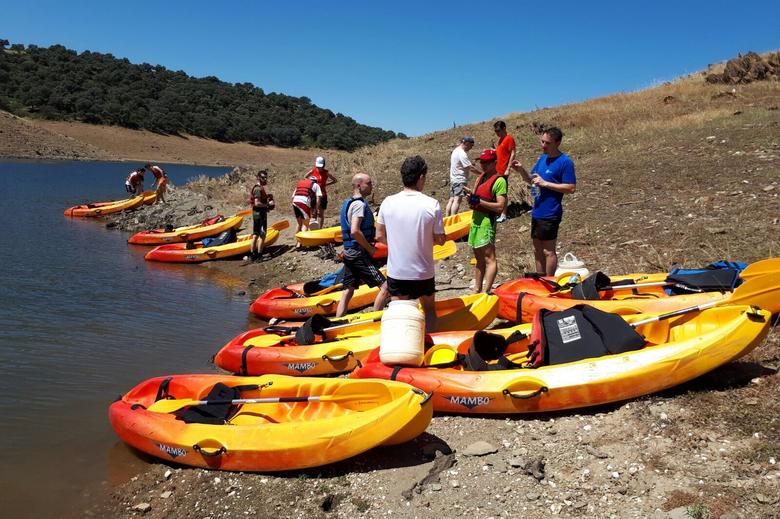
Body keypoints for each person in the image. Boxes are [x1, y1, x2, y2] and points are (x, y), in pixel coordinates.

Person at [376, 156, 445, 333]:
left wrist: (398, 243)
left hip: (398, 271)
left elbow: (379, 236)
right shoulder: (432, 204)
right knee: (429, 311)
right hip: (423, 271)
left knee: (399, 314)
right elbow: (440, 239)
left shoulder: (388, 202)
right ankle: (430, 348)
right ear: (421, 177)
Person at [509, 127, 576, 275]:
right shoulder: (542, 159)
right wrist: (520, 170)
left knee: (548, 251)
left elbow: (571, 188)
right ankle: (539, 281)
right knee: (537, 249)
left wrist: (546, 184)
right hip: (537, 211)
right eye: (542, 142)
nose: (543, 145)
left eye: (547, 143)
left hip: (551, 212)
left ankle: (549, 281)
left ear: (557, 143)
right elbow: (531, 180)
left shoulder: (565, 162)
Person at [335, 173, 390, 316]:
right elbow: (354, 231)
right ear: (359, 185)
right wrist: (370, 248)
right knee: (385, 286)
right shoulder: (359, 205)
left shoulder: (349, 202)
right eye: (369, 183)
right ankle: (375, 319)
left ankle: (337, 320)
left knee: (349, 289)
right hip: (358, 253)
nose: (372, 186)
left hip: (349, 253)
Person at [464, 149, 508, 293]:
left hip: (486, 223)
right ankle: (477, 289)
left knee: (489, 258)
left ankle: (486, 291)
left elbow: (500, 206)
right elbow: (478, 198)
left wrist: (479, 201)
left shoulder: (500, 181)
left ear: (494, 162)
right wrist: (471, 196)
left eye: (486, 162)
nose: (483, 165)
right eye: (482, 162)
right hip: (475, 221)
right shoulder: (481, 177)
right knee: (479, 259)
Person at [446, 136, 480, 216]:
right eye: (471, 146)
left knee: (451, 199)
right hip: (460, 179)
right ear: (466, 143)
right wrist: (481, 173)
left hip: (453, 179)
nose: (471, 148)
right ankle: (453, 218)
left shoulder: (455, 151)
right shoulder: (462, 153)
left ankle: (447, 218)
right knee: (457, 200)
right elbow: (469, 167)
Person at [492, 120, 516, 223]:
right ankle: (499, 211)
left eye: (499, 130)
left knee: (503, 192)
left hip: (503, 170)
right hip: (497, 170)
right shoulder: (500, 140)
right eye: (495, 131)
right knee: (497, 192)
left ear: (504, 128)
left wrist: (508, 168)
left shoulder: (509, 138)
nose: (497, 133)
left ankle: (504, 214)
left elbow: (513, 153)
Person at [248, 169, 275, 261]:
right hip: (260, 215)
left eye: (266, 177)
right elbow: (257, 203)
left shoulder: (258, 188)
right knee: (262, 235)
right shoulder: (258, 189)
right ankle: (259, 256)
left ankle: (252, 255)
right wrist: (267, 205)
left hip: (257, 215)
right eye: (263, 177)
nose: (265, 179)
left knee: (256, 234)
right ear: (259, 178)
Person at [308, 156, 337, 228]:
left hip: (322, 194)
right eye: (318, 166)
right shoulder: (313, 171)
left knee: (320, 213)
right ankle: (313, 227)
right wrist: (310, 184)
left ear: (323, 165)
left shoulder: (326, 172)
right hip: (313, 194)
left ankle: (320, 228)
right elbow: (305, 177)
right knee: (313, 212)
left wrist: (326, 184)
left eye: (320, 166)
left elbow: (335, 180)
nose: (319, 168)